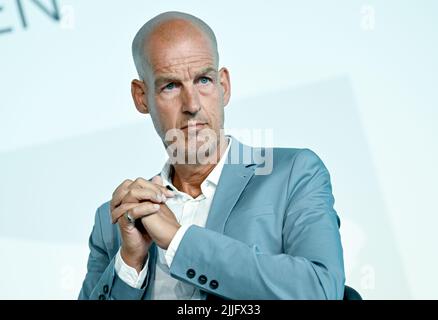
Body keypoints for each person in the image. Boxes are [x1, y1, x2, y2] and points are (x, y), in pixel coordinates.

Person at [78, 11, 345, 300]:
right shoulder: (114, 219)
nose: (192, 105)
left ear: (224, 86)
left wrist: (178, 240)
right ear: (141, 97)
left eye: (203, 80)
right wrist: (129, 263)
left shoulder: (294, 173)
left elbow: (320, 290)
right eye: (170, 86)